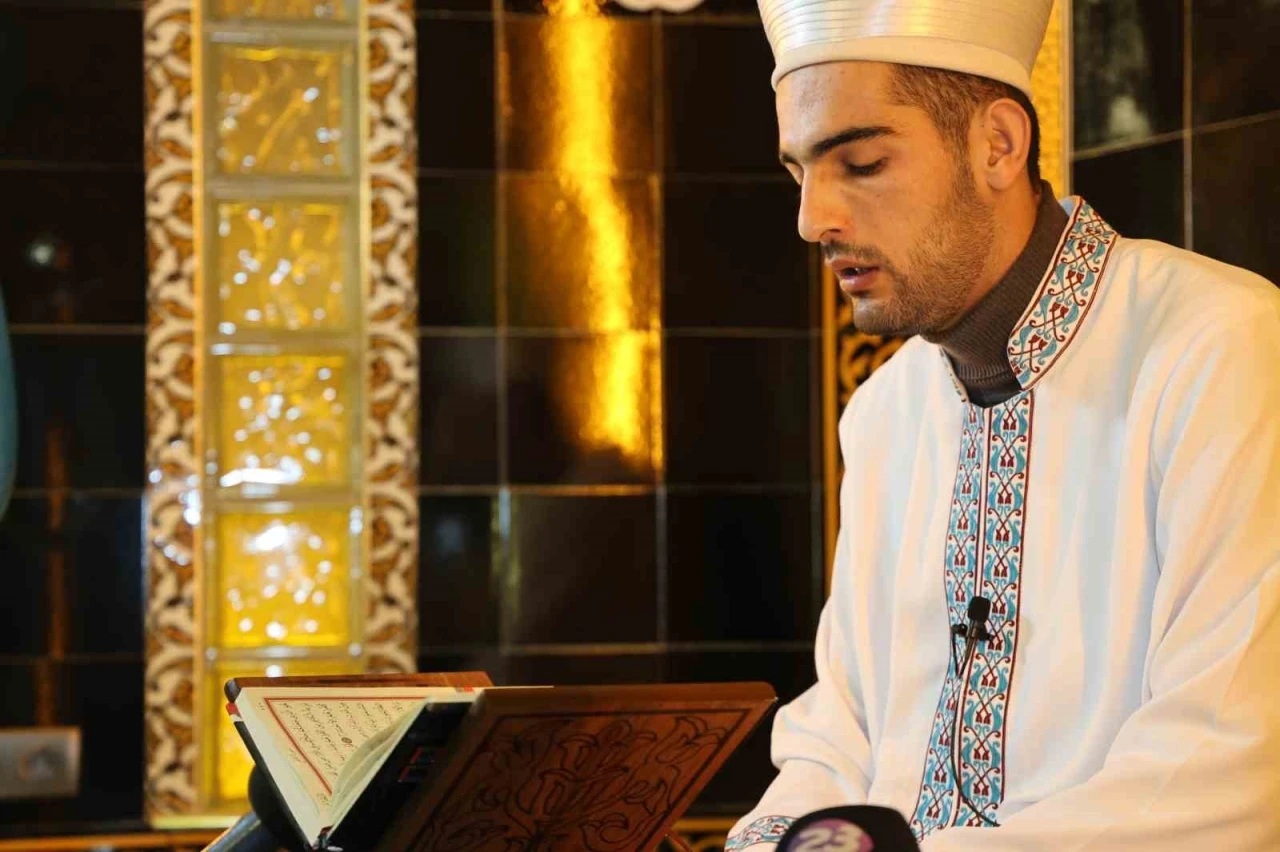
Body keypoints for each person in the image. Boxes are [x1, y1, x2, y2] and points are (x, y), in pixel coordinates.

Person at [727, 1, 1280, 850]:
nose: (812, 219)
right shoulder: (882, 412)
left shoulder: (1222, 347)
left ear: (998, 144)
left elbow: (1228, 768)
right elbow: (837, 732)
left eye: (862, 163)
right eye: (799, 171)